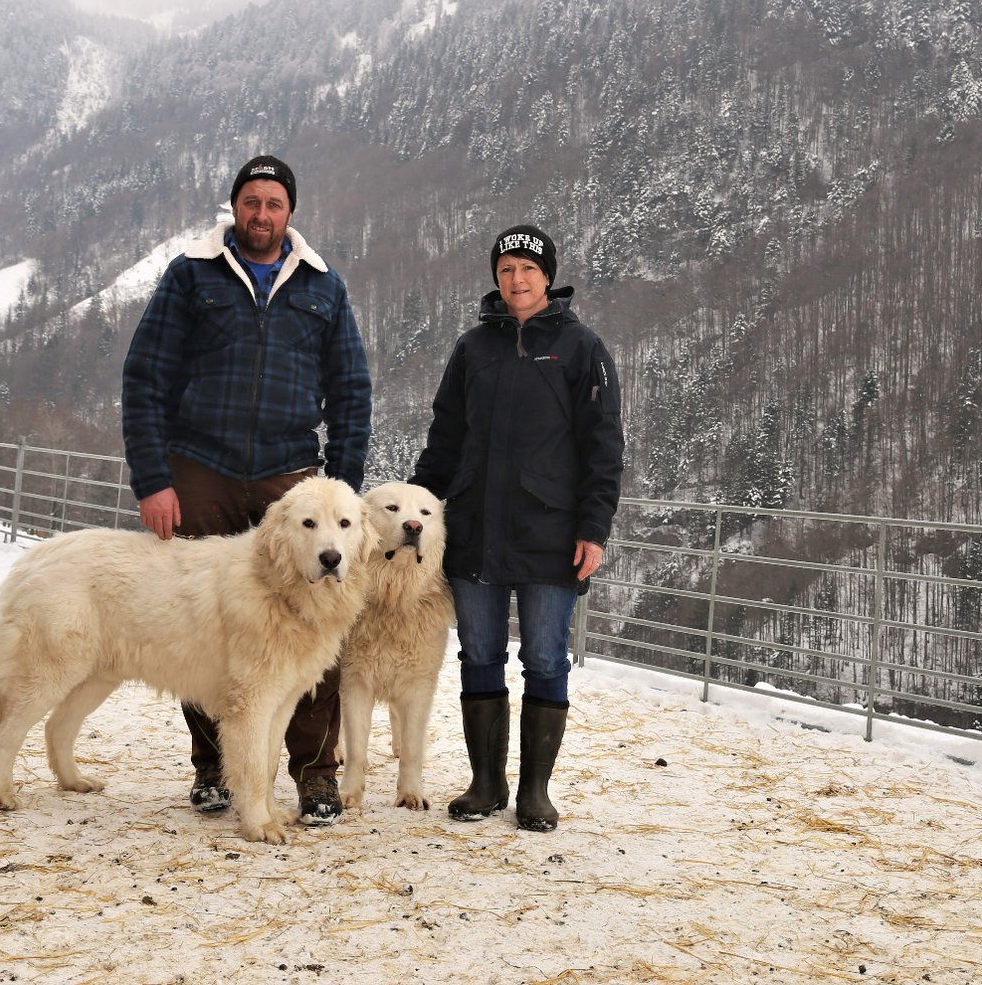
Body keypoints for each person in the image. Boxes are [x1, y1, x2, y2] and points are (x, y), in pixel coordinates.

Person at [121, 154, 372, 826]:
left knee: (318, 622)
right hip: (199, 470)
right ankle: (216, 771)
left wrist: (340, 492)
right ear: (235, 207)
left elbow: (351, 391)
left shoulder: (323, 286)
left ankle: (316, 774)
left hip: (291, 481)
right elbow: (145, 377)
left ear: (291, 213)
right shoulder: (191, 275)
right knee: (202, 625)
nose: (262, 214)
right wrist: (154, 480)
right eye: (251, 202)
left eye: (274, 203)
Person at [411, 223, 624, 831]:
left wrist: (593, 528)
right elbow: (445, 437)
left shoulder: (581, 348)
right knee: (479, 653)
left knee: (546, 658)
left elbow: (603, 445)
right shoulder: (473, 348)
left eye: (528, 268)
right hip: (475, 528)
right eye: (506, 269)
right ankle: (486, 783)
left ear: (548, 277)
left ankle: (535, 791)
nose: (517, 278)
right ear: (496, 278)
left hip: (550, 534)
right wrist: (416, 509)